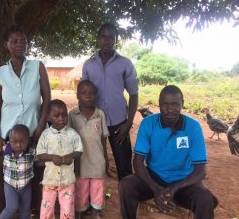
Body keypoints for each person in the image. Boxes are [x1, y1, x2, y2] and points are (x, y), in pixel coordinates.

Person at [0, 25, 51, 219]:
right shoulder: (0, 73)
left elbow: (47, 99)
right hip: (8, 137)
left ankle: (34, 210)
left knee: (36, 171)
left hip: (34, 135)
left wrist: (40, 127)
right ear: (6, 45)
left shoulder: (38, 66)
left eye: (23, 41)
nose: (20, 44)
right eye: (14, 41)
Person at [119, 85, 218, 219]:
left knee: (205, 199)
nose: (170, 109)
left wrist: (174, 189)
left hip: (184, 181)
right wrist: (156, 189)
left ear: (182, 104)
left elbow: (201, 170)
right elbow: (138, 161)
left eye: (175, 104)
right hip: (154, 176)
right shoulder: (148, 124)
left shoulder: (193, 127)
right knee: (126, 185)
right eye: (164, 104)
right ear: (159, 104)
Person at [82, 22, 138, 180]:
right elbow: (82, 92)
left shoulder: (125, 63)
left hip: (119, 123)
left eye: (111, 37)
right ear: (98, 39)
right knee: (93, 164)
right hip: (94, 122)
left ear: (115, 40)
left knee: (124, 166)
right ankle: (94, 200)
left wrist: (128, 123)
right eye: (103, 37)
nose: (107, 40)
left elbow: (134, 94)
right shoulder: (88, 64)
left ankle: (127, 199)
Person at [68, 80, 109, 219]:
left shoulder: (100, 114)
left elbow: (104, 139)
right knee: (80, 190)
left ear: (96, 95)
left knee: (98, 189)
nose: (87, 96)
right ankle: (79, 213)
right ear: (77, 95)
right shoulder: (72, 115)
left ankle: (95, 213)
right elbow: (68, 139)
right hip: (80, 162)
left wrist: (106, 159)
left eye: (91, 93)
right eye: (83, 93)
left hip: (98, 162)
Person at [36, 99, 83, 219]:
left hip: (67, 180)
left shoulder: (72, 134)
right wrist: (52, 157)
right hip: (49, 180)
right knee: (47, 208)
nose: (61, 118)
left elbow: (79, 150)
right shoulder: (45, 135)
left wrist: (71, 157)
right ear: (48, 117)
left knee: (67, 209)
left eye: (64, 115)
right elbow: (40, 154)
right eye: (56, 115)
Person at [0, 124, 35, 219]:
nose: (18, 145)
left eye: (22, 142)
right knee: (12, 207)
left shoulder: (31, 151)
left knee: (25, 209)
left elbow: (42, 156)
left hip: (26, 186)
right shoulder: (7, 148)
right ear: (10, 140)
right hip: (10, 186)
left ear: (28, 141)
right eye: (15, 142)